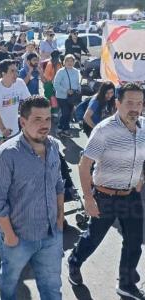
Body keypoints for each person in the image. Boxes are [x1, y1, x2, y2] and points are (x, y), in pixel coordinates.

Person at [67, 83, 145, 300]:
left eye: (139, 103)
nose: (135, 107)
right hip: (104, 196)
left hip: (131, 196)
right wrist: (89, 198)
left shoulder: (144, 127)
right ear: (117, 103)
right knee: (93, 238)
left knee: (134, 240)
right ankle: (74, 262)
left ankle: (126, 283)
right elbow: (84, 165)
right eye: (129, 102)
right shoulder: (104, 130)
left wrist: (141, 178)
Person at [0, 96, 64, 300]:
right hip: (18, 237)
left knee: (52, 286)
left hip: (51, 234)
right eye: (38, 119)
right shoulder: (6, 155)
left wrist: (59, 220)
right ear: (22, 122)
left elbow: (58, 183)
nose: (45, 125)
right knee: (10, 281)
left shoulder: (54, 147)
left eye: (48, 119)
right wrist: (10, 236)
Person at [0, 59, 31, 157]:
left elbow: (29, 101)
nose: (16, 73)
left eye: (16, 70)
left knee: (14, 159)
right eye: (12, 71)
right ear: (3, 73)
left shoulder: (20, 83)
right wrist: (3, 129)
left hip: (14, 130)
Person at [53, 54, 81, 138]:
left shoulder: (76, 71)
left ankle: (62, 129)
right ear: (64, 62)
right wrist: (66, 90)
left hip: (72, 97)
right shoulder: (61, 71)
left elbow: (77, 83)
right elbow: (55, 84)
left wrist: (78, 89)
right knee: (65, 113)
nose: (69, 62)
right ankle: (63, 129)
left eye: (71, 61)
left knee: (68, 114)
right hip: (62, 96)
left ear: (74, 62)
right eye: (67, 61)